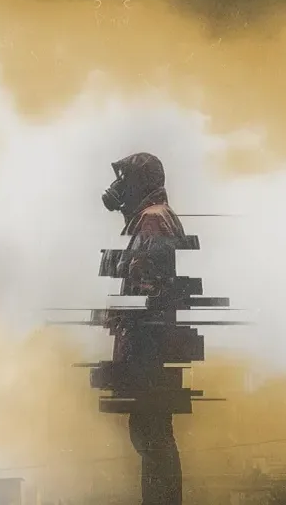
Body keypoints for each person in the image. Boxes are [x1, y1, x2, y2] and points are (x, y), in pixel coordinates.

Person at [101, 152, 185, 505]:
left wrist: (132, 348)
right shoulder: (155, 217)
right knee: (152, 435)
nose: (118, 187)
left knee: (151, 436)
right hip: (151, 347)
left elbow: (145, 289)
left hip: (147, 350)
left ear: (140, 182)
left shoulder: (152, 220)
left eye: (125, 179)